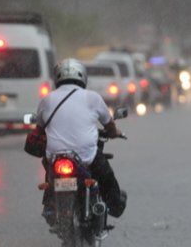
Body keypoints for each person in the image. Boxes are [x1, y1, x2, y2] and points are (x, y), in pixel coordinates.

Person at [36, 58, 127, 226]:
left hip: (55, 158)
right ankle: (114, 206)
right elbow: (110, 125)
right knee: (106, 177)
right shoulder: (92, 98)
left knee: (48, 171)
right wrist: (115, 133)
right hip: (86, 157)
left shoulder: (47, 100)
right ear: (83, 77)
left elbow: (39, 129)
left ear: (57, 78)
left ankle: (49, 205)